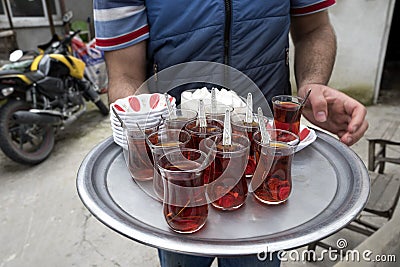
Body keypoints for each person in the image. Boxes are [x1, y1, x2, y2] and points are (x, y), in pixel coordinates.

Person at [93, 0, 368, 266]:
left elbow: (314, 29)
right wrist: (140, 125)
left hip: (263, 168)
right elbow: (124, 73)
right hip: (178, 176)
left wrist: (313, 86)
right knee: (183, 248)